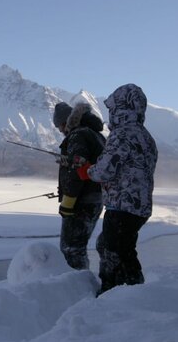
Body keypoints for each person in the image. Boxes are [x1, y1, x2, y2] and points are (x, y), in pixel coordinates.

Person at [75, 84, 158, 294]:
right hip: (139, 206)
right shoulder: (146, 137)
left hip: (122, 205)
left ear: (121, 108)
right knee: (113, 246)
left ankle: (114, 294)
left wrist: (87, 171)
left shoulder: (122, 134)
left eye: (113, 108)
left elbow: (105, 170)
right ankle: (130, 291)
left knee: (115, 252)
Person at [52, 101, 106, 270]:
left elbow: (79, 169)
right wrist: (69, 160)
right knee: (78, 248)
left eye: (60, 127)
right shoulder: (95, 134)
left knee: (71, 249)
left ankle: (77, 288)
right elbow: (88, 163)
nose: (61, 131)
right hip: (97, 198)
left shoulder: (77, 135)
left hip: (83, 201)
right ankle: (82, 284)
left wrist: (67, 203)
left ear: (65, 122)